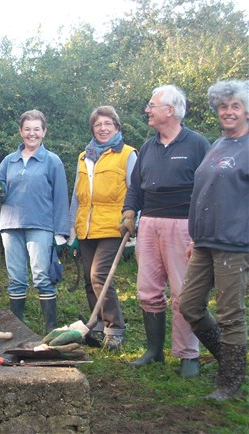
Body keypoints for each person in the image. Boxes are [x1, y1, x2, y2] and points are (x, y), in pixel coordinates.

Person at [120, 84, 210, 377]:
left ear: (170, 111)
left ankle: (188, 356)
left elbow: (208, 191)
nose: (147, 110)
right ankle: (154, 351)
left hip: (184, 225)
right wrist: (129, 213)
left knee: (184, 293)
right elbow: (136, 187)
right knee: (147, 290)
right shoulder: (148, 146)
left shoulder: (197, 144)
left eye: (151, 105)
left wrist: (199, 234)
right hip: (149, 224)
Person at [180, 80, 248, 400]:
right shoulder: (218, 145)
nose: (228, 112)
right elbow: (202, 193)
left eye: (235, 106)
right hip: (205, 241)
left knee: (230, 314)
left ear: (246, 110)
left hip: (235, 242)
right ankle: (231, 361)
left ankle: (230, 383)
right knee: (189, 305)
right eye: (223, 107)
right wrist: (196, 235)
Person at [0, 109, 69, 332]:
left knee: (42, 277)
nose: (31, 133)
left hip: (40, 225)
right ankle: (18, 328)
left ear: (44, 131)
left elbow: (61, 198)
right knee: (16, 279)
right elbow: (1, 197)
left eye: (36, 129)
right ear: (20, 131)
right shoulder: (9, 161)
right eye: (27, 129)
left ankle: (50, 328)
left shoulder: (52, 161)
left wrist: (61, 233)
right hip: (10, 226)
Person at [68, 106, 137, 350]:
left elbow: (135, 190)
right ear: (93, 129)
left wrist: (133, 222)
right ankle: (96, 326)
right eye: (98, 124)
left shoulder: (127, 154)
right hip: (86, 227)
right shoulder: (83, 156)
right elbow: (77, 196)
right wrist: (72, 233)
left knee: (100, 276)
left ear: (117, 127)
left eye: (108, 123)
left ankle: (115, 327)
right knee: (89, 279)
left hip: (113, 227)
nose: (103, 128)